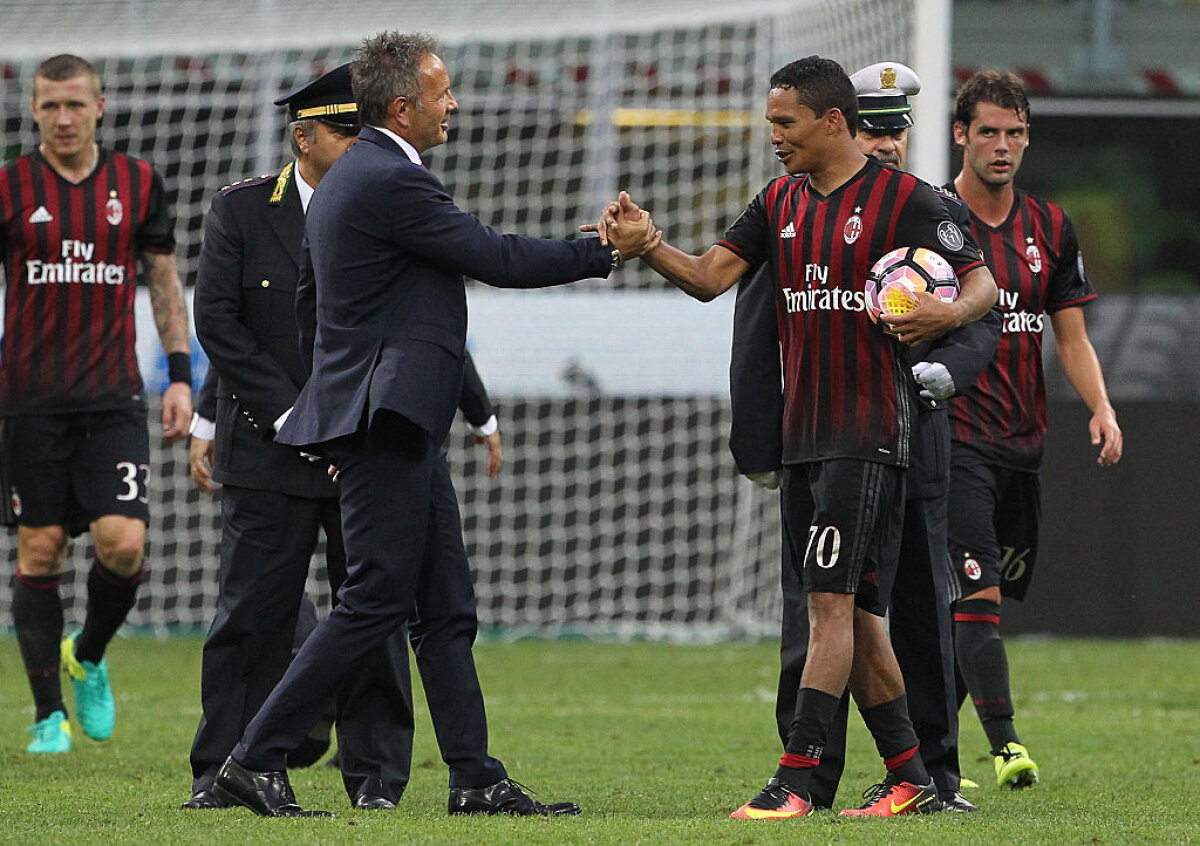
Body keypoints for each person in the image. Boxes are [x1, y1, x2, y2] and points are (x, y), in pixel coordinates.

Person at [210, 31, 656, 818]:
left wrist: (336, 403)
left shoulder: (360, 177)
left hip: (393, 416)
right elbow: (498, 256)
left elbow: (316, 305)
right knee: (376, 600)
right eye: (443, 91)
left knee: (445, 609)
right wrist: (602, 251)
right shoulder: (388, 179)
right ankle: (252, 757)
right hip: (386, 421)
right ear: (404, 106)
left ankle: (475, 777)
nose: (455, 103)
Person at [601, 55, 995, 820]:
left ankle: (797, 780)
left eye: (785, 122)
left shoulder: (907, 200)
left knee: (827, 609)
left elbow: (978, 279)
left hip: (869, 433)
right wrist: (648, 244)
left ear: (833, 121)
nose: (773, 136)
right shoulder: (778, 201)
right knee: (860, 615)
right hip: (803, 437)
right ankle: (912, 777)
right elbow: (711, 277)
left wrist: (947, 315)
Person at [731, 61, 1001, 814]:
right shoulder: (785, 208)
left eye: (895, 129)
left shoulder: (924, 210)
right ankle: (861, 779)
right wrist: (757, 439)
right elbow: (753, 324)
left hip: (907, 436)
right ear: (852, 125)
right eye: (875, 128)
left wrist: (942, 360)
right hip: (814, 436)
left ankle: (902, 777)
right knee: (841, 613)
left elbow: (982, 311)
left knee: (892, 610)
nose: (886, 142)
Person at [183, 63, 413, 811]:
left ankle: (375, 780)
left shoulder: (389, 205)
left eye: (362, 130)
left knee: (373, 616)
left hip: (364, 450)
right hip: (269, 446)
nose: (357, 143)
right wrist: (290, 416)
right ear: (302, 135)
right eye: (345, 131)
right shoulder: (244, 211)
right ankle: (228, 772)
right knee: (252, 618)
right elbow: (218, 322)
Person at [0, 54, 192, 754]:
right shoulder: (9, 186)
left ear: (101, 106)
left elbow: (164, 284)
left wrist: (179, 375)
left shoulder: (138, 185)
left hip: (113, 398)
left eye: (75, 104)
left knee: (124, 543)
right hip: (28, 403)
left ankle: (90, 651)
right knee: (42, 550)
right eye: (50, 105)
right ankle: (49, 713)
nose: (63, 117)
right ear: (35, 109)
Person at [945, 70, 1122, 789]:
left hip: (1022, 444)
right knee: (977, 596)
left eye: (1015, 132)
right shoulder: (931, 216)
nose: (1002, 145)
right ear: (960, 134)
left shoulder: (1051, 226)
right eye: (988, 131)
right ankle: (1007, 745)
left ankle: (927, 757)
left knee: (977, 610)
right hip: (950, 438)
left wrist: (1103, 408)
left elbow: (1071, 337)